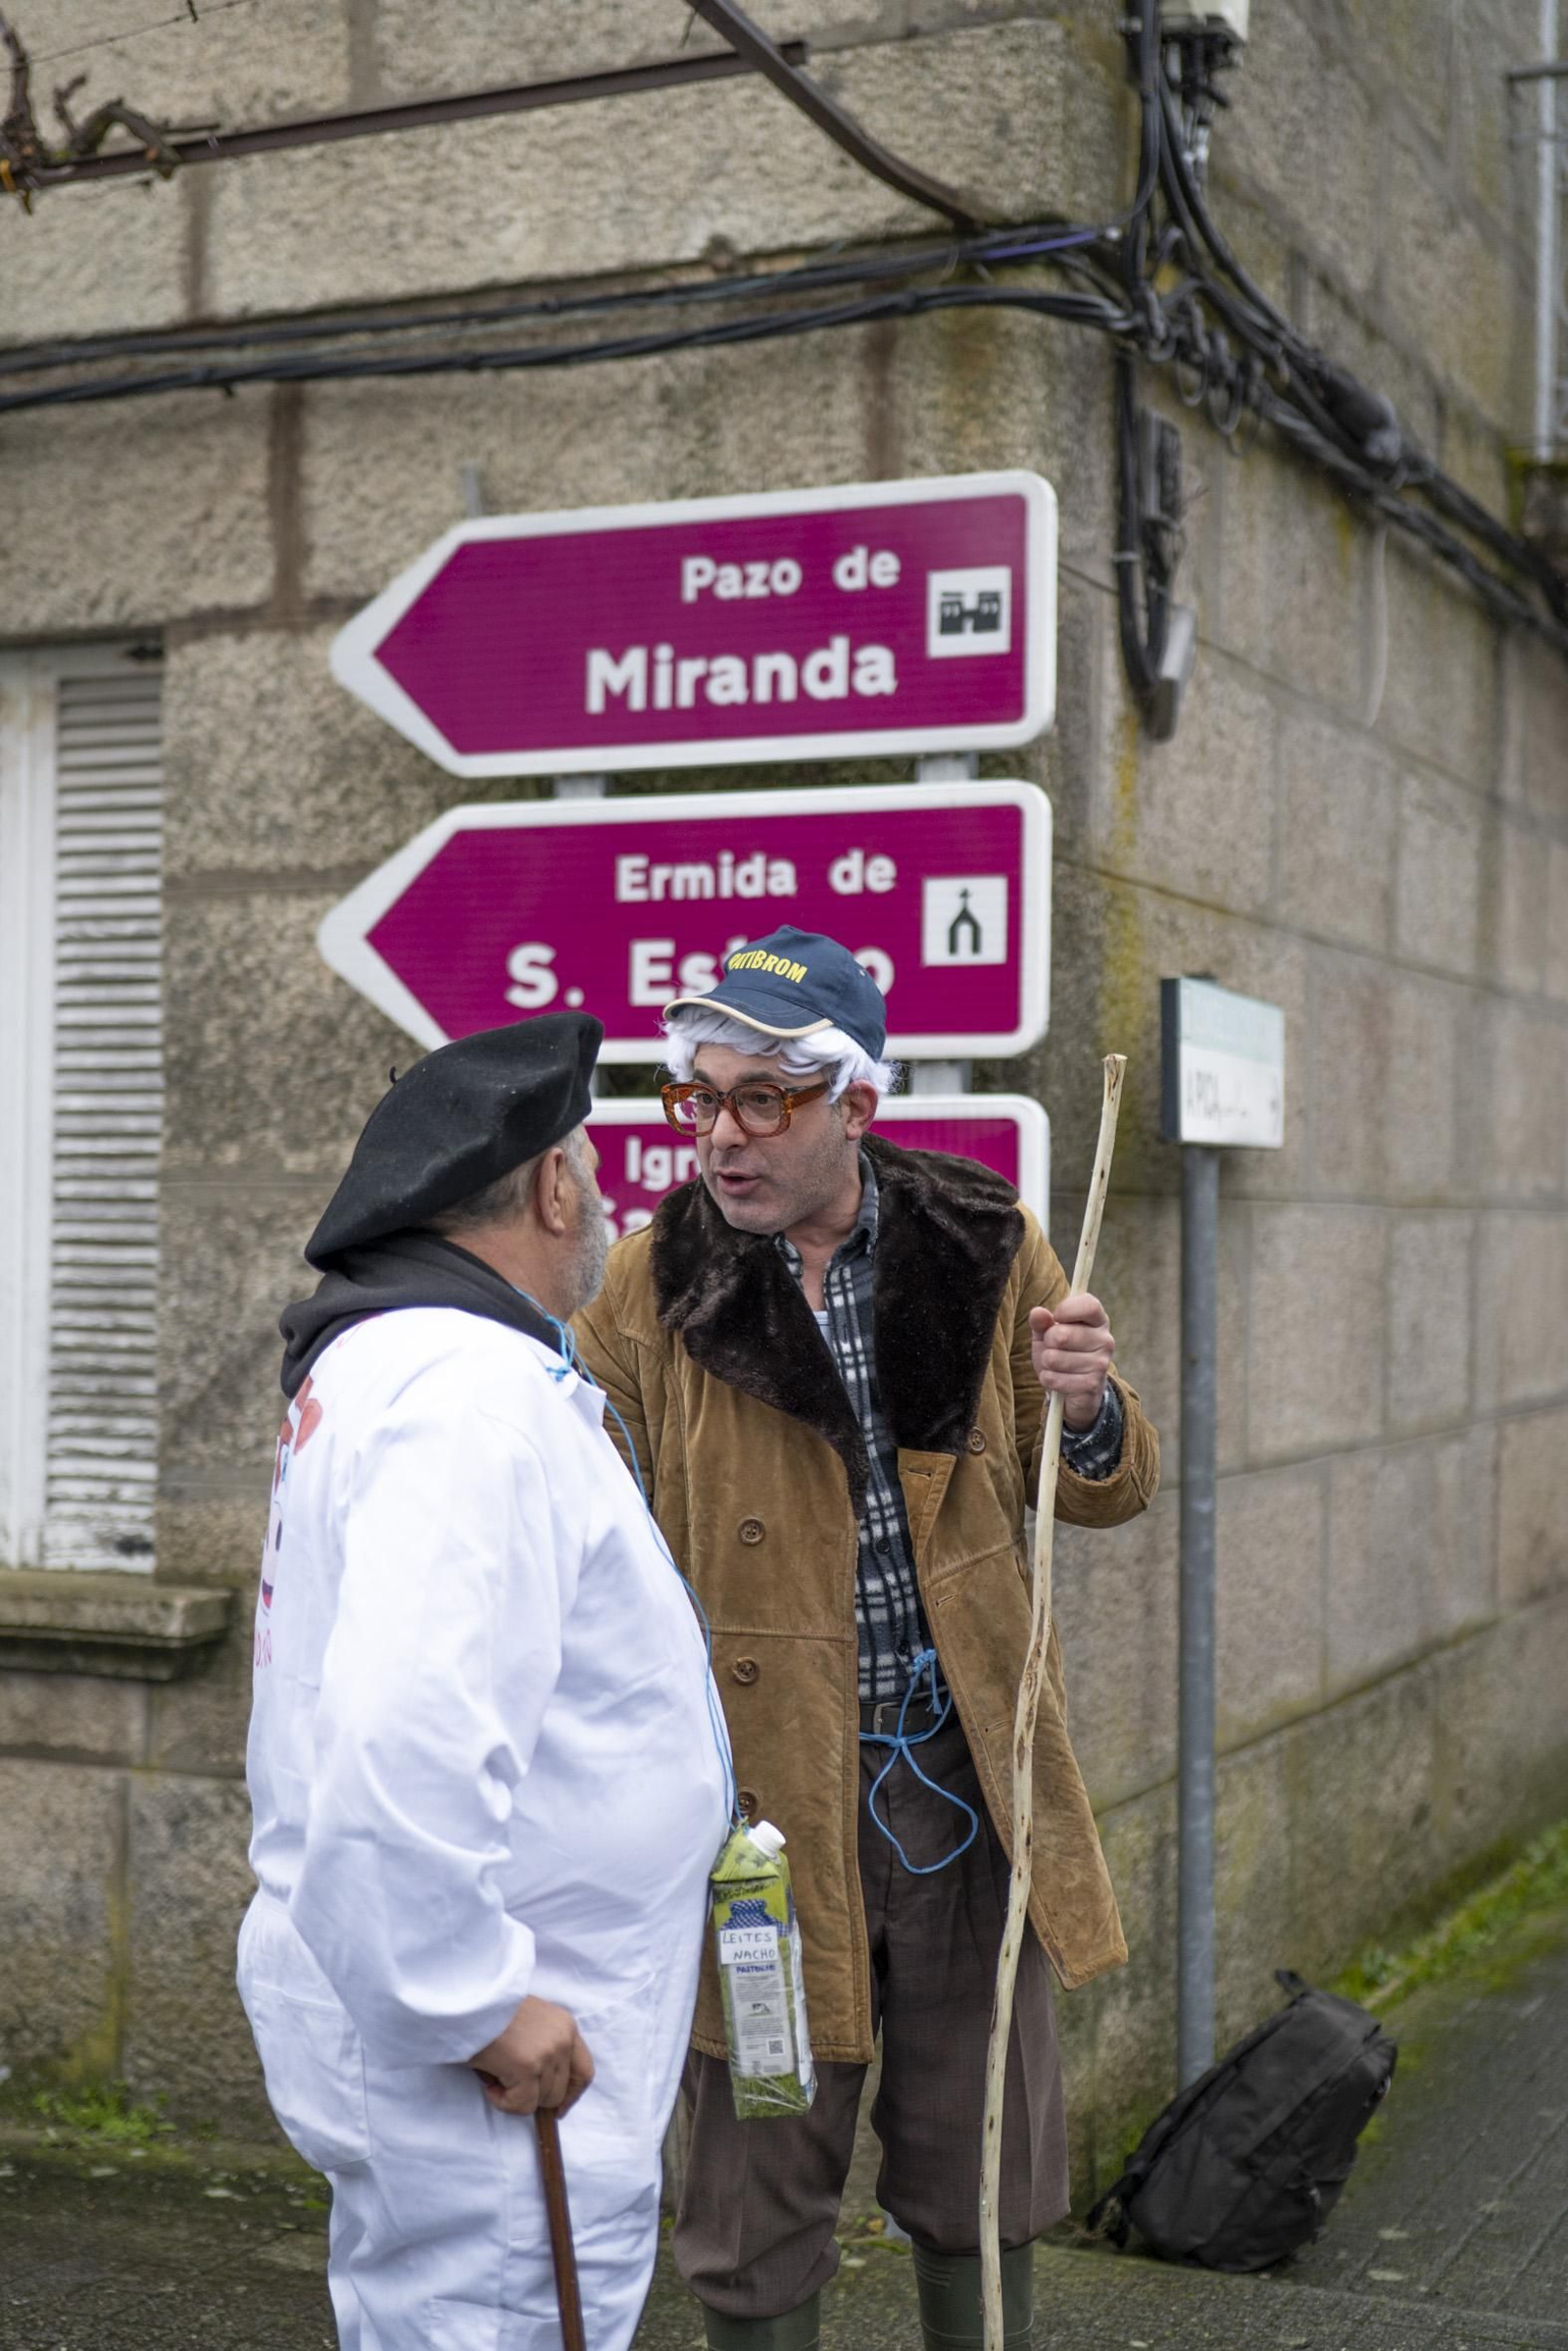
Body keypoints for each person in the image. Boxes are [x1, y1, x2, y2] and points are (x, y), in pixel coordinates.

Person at [573, 929, 1160, 2351]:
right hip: (758, 1815)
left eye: (761, 1098)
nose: (721, 1134)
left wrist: (1087, 1408)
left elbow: (1107, 1488)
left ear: (857, 1108)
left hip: (961, 1788)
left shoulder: (985, 1239)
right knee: (759, 2163)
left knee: (981, 2160)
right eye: (698, 1098)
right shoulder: (652, 1284)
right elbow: (584, 1547)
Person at [239, 1011, 730, 2351]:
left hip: (497, 2032)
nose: (612, 1201)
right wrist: (473, 2000)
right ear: (550, 1186)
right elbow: (405, 1732)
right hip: (507, 2062)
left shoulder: (402, 1367)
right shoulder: (464, 1396)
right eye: (594, 1167)